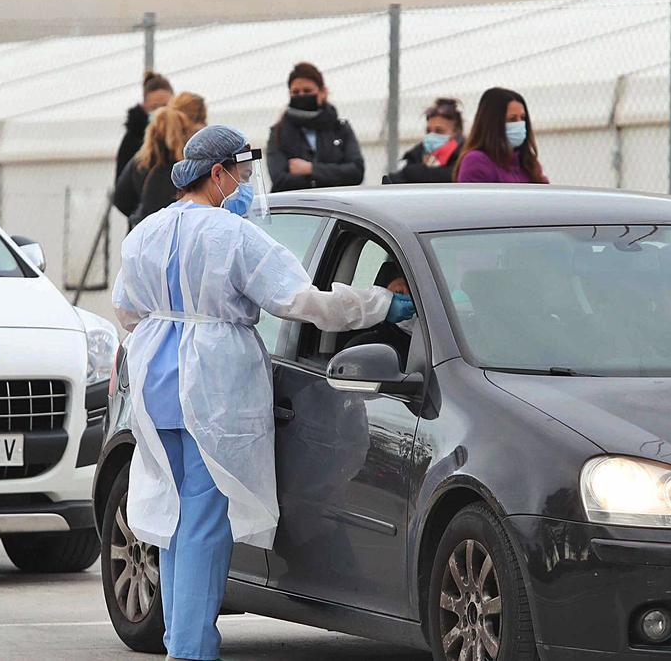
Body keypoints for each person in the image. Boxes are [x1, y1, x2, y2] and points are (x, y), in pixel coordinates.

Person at [112, 125, 414, 661]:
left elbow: (128, 312)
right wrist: (379, 306)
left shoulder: (146, 233)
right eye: (244, 175)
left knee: (177, 518)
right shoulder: (234, 237)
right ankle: (191, 648)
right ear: (218, 174)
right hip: (214, 388)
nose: (249, 187)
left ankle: (180, 640)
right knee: (205, 520)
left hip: (158, 383)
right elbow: (302, 302)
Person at [267, 62, 364, 192]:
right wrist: (332, 174)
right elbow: (280, 180)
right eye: (295, 92)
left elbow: (356, 172)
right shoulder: (278, 132)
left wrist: (310, 169)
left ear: (322, 92)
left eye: (307, 91)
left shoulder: (340, 129)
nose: (301, 95)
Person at [114, 92, 206, 229]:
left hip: (146, 237)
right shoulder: (190, 161)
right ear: (196, 123)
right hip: (180, 237)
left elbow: (121, 198)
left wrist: (140, 216)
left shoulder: (144, 157)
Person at [455, 87, 549, 184]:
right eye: (512, 119)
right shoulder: (476, 161)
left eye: (522, 118)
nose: (519, 124)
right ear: (492, 124)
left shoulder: (527, 163)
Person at [386, 98, 465, 184]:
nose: (432, 135)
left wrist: (415, 172)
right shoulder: (416, 155)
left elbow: (453, 176)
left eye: (439, 131)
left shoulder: (465, 157)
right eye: (428, 131)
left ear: (457, 132)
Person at [116, 71, 174, 181]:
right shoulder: (132, 140)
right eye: (154, 107)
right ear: (145, 108)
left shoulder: (186, 137)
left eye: (165, 106)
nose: (160, 112)